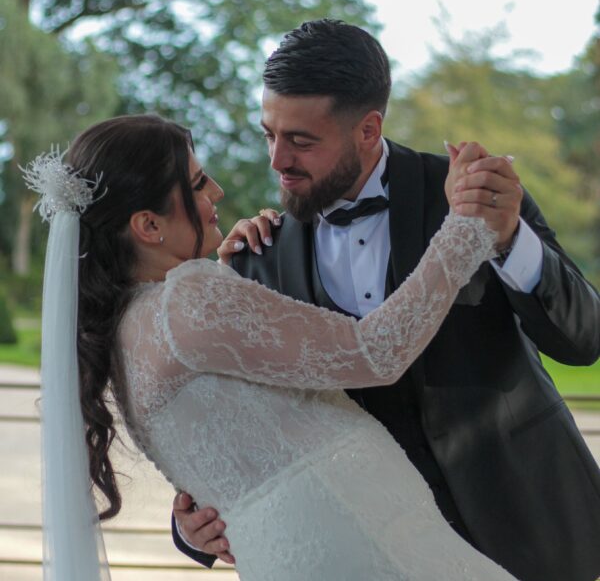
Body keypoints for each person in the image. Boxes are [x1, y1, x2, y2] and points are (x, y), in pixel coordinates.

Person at [171, 19, 600, 581]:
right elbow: (247, 425)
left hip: (532, 527)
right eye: (268, 134)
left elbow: (583, 339)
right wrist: (192, 529)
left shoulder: (472, 195)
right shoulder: (258, 255)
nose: (278, 160)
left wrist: (510, 240)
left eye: (301, 140)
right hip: (378, 555)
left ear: (369, 129)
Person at [29, 112, 519, 580]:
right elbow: (376, 352)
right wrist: (468, 227)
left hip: (287, 555)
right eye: (198, 184)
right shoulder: (189, 299)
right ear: (149, 226)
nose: (216, 191)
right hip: (357, 537)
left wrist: (191, 529)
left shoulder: (117, 336)